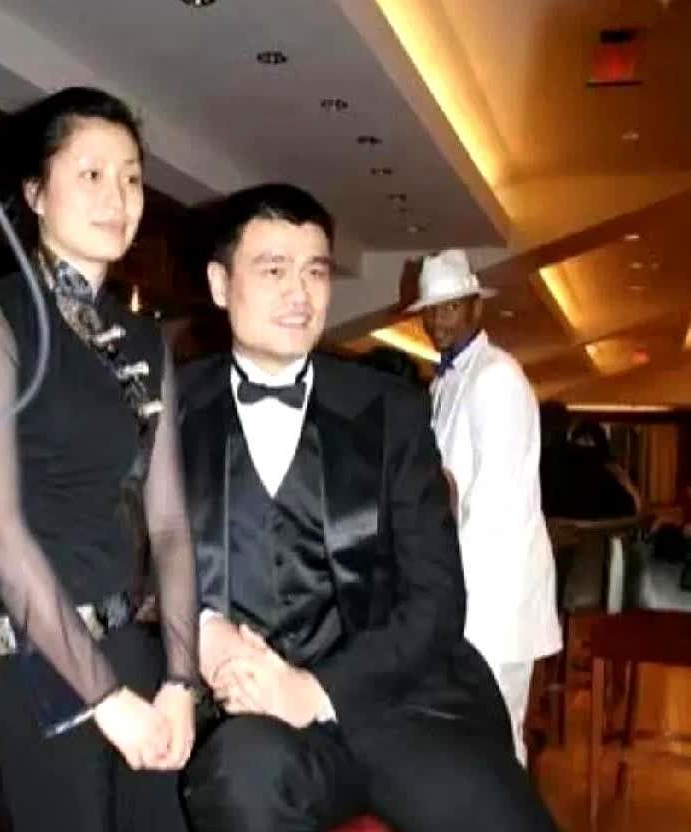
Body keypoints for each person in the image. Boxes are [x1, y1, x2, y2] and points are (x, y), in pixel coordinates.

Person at [177, 184, 557, 831]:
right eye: (273, 270)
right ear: (220, 283)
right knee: (240, 778)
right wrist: (205, 632)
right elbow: (132, 561)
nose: (300, 294)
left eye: (315, 271)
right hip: (251, 717)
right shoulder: (167, 408)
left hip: (400, 704)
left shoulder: (390, 410)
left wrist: (316, 690)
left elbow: (438, 600)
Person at [0, 87, 197, 832]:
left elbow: (170, 525)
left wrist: (181, 680)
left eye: (131, 177)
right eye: (90, 173)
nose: (117, 196)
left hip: (128, 641)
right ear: (34, 193)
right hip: (30, 654)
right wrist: (104, 698)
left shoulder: (146, 341)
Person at [412, 249, 561, 764]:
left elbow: (495, 501)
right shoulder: (446, 381)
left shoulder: (496, 377)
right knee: (471, 736)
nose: (437, 320)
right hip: (469, 590)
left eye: (450, 307)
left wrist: (448, 589)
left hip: (496, 594)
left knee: (497, 733)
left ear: (477, 307)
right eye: (430, 311)